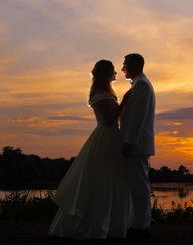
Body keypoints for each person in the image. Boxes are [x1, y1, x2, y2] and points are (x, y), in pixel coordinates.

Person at [49, 60, 130, 240]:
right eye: (113, 71)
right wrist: (124, 102)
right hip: (106, 137)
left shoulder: (103, 93)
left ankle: (111, 223)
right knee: (103, 179)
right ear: (107, 74)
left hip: (110, 137)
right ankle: (97, 225)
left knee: (109, 179)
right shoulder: (100, 95)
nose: (116, 73)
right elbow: (109, 120)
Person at [120, 53, 156, 238]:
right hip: (137, 144)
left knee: (139, 185)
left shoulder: (141, 85)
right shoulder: (139, 84)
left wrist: (129, 143)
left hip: (137, 145)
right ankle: (139, 223)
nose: (122, 68)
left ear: (134, 65)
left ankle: (141, 227)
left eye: (125, 64)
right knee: (138, 185)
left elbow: (138, 119)